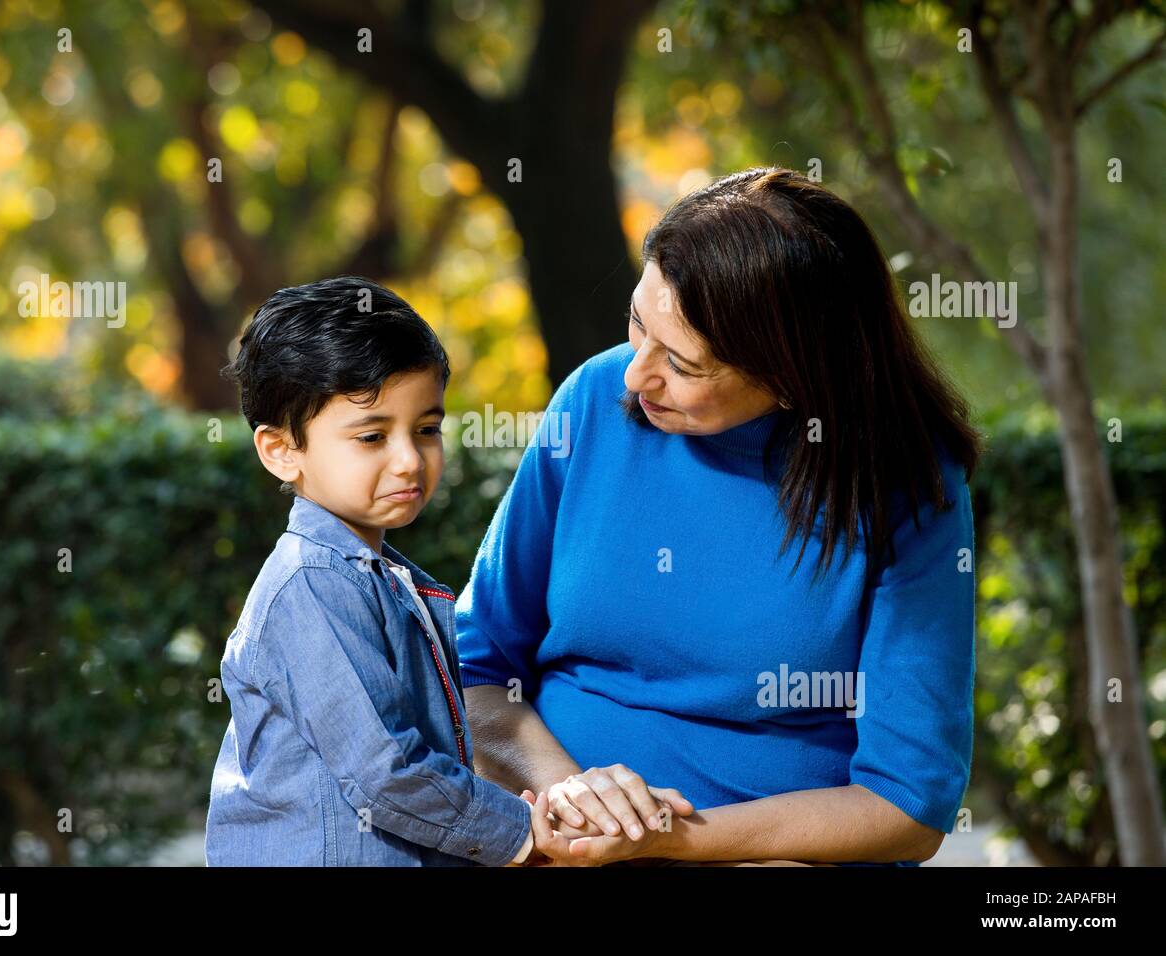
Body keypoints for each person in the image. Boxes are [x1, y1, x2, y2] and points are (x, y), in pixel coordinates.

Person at [457, 167, 982, 866]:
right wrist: (580, 799)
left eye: (681, 362)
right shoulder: (590, 403)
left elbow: (906, 807)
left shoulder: (905, 482)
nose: (636, 375)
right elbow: (473, 670)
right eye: (636, 325)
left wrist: (667, 840)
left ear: (793, 374)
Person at [204, 278, 583, 866]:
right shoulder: (312, 584)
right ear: (281, 449)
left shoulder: (383, 576)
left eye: (426, 429)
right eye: (373, 436)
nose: (410, 459)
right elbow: (386, 770)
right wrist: (522, 835)